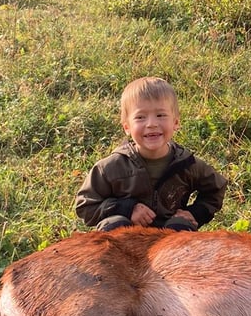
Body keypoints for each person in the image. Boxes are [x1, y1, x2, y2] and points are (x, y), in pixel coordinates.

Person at [75, 77, 227, 231]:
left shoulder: (188, 164)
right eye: (140, 117)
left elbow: (216, 189)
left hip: (169, 239)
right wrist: (126, 209)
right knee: (116, 223)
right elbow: (85, 206)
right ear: (127, 127)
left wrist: (195, 213)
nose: (151, 124)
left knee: (180, 226)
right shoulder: (110, 167)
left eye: (160, 115)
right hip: (125, 242)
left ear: (175, 122)